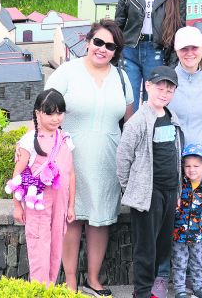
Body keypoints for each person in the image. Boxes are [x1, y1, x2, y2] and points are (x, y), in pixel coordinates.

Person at [45, 19, 133, 295]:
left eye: (110, 46)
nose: (103, 49)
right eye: (98, 42)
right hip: (70, 160)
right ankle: (70, 282)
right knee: (72, 220)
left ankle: (93, 280)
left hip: (108, 160)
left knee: (101, 219)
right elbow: (45, 114)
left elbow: (129, 122)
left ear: (116, 51)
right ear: (87, 42)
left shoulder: (121, 77)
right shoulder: (66, 73)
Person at [151, 26, 202, 297]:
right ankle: (164, 277)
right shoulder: (166, 80)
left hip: (198, 167)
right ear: (176, 51)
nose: (190, 53)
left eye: (195, 47)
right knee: (169, 223)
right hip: (170, 164)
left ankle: (194, 281)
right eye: (184, 48)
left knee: (196, 224)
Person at [116, 65, 183, 298]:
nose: (163, 93)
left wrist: (176, 192)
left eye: (169, 89)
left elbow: (176, 156)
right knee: (146, 247)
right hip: (148, 194)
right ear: (147, 86)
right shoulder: (137, 122)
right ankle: (141, 292)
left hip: (169, 190)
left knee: (163, 245)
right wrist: (132, 189)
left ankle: (153, 286)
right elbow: (123, 160)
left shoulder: (172, 118)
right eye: (159, 87)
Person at [8, 89, 75, 286]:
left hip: (60, 205)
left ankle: (50, 289)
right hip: (38, 206)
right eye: (50, 113)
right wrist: (17, 206)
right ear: (38, 113)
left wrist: (71, 205)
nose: (56, 118)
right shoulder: (30, 140)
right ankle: (40, 291)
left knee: (55, 251)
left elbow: (71, 174)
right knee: (39, 251)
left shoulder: (65, 138)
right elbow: (17, 176)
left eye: (60, 113)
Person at [115, 0, 186, 111]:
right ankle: (130, 137)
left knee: (153, 104)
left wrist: (173, 60)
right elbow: (120, 20)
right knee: (128, 103)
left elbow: (180, 27)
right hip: (130, 50)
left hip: (156, 51)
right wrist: (114, 50)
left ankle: (150, 138)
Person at [172, 144, 202, 298]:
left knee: (197, 263)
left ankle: (198, 286)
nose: (191, 169)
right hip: (179, 234)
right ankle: (179, 290)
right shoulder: (180, 185)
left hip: (199, 235)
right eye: (188, 166)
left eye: (196, 166)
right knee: (180, 263)